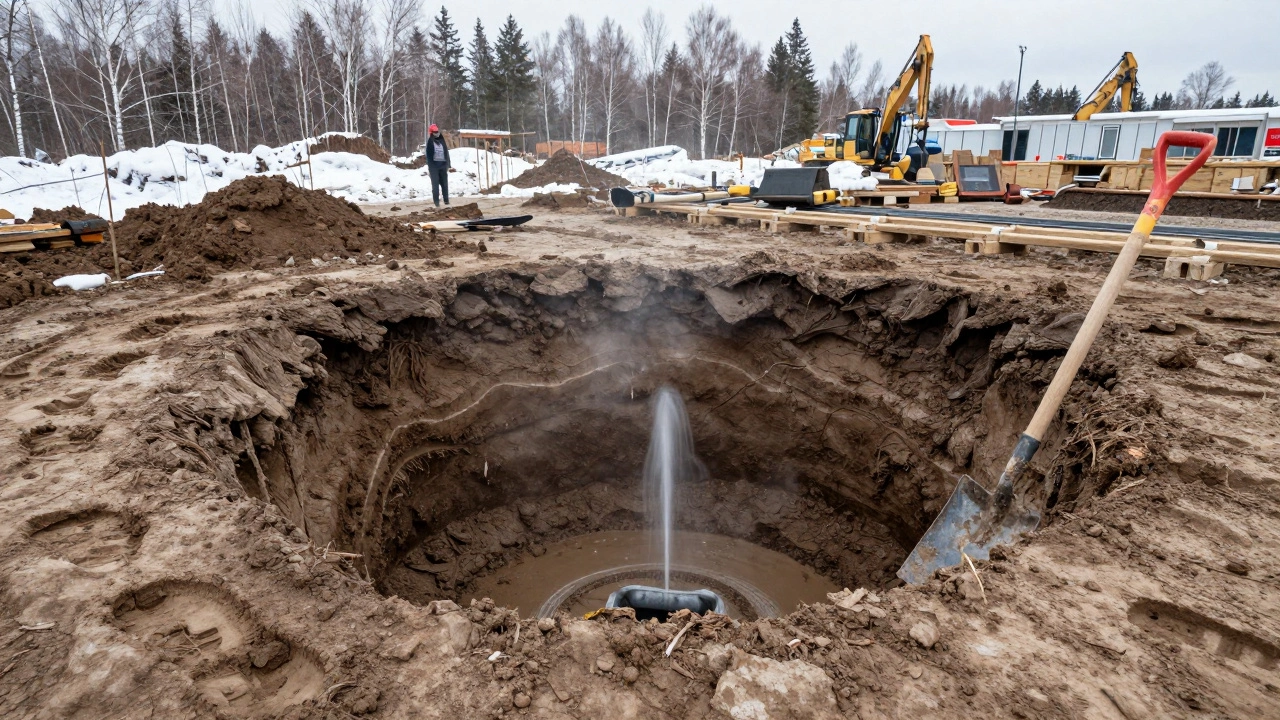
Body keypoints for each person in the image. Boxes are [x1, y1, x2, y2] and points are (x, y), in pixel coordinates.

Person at [424, 124, 452, 207]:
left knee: (440, 184)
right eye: (435, 132)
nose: (436, 133)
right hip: (437, 166)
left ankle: (442, 201)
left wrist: (448, 164)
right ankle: (440, 201)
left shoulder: (436, 141)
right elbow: (430, 155)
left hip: (439, 166)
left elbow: (445, 152)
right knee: (439, 185)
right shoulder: (436, 141)